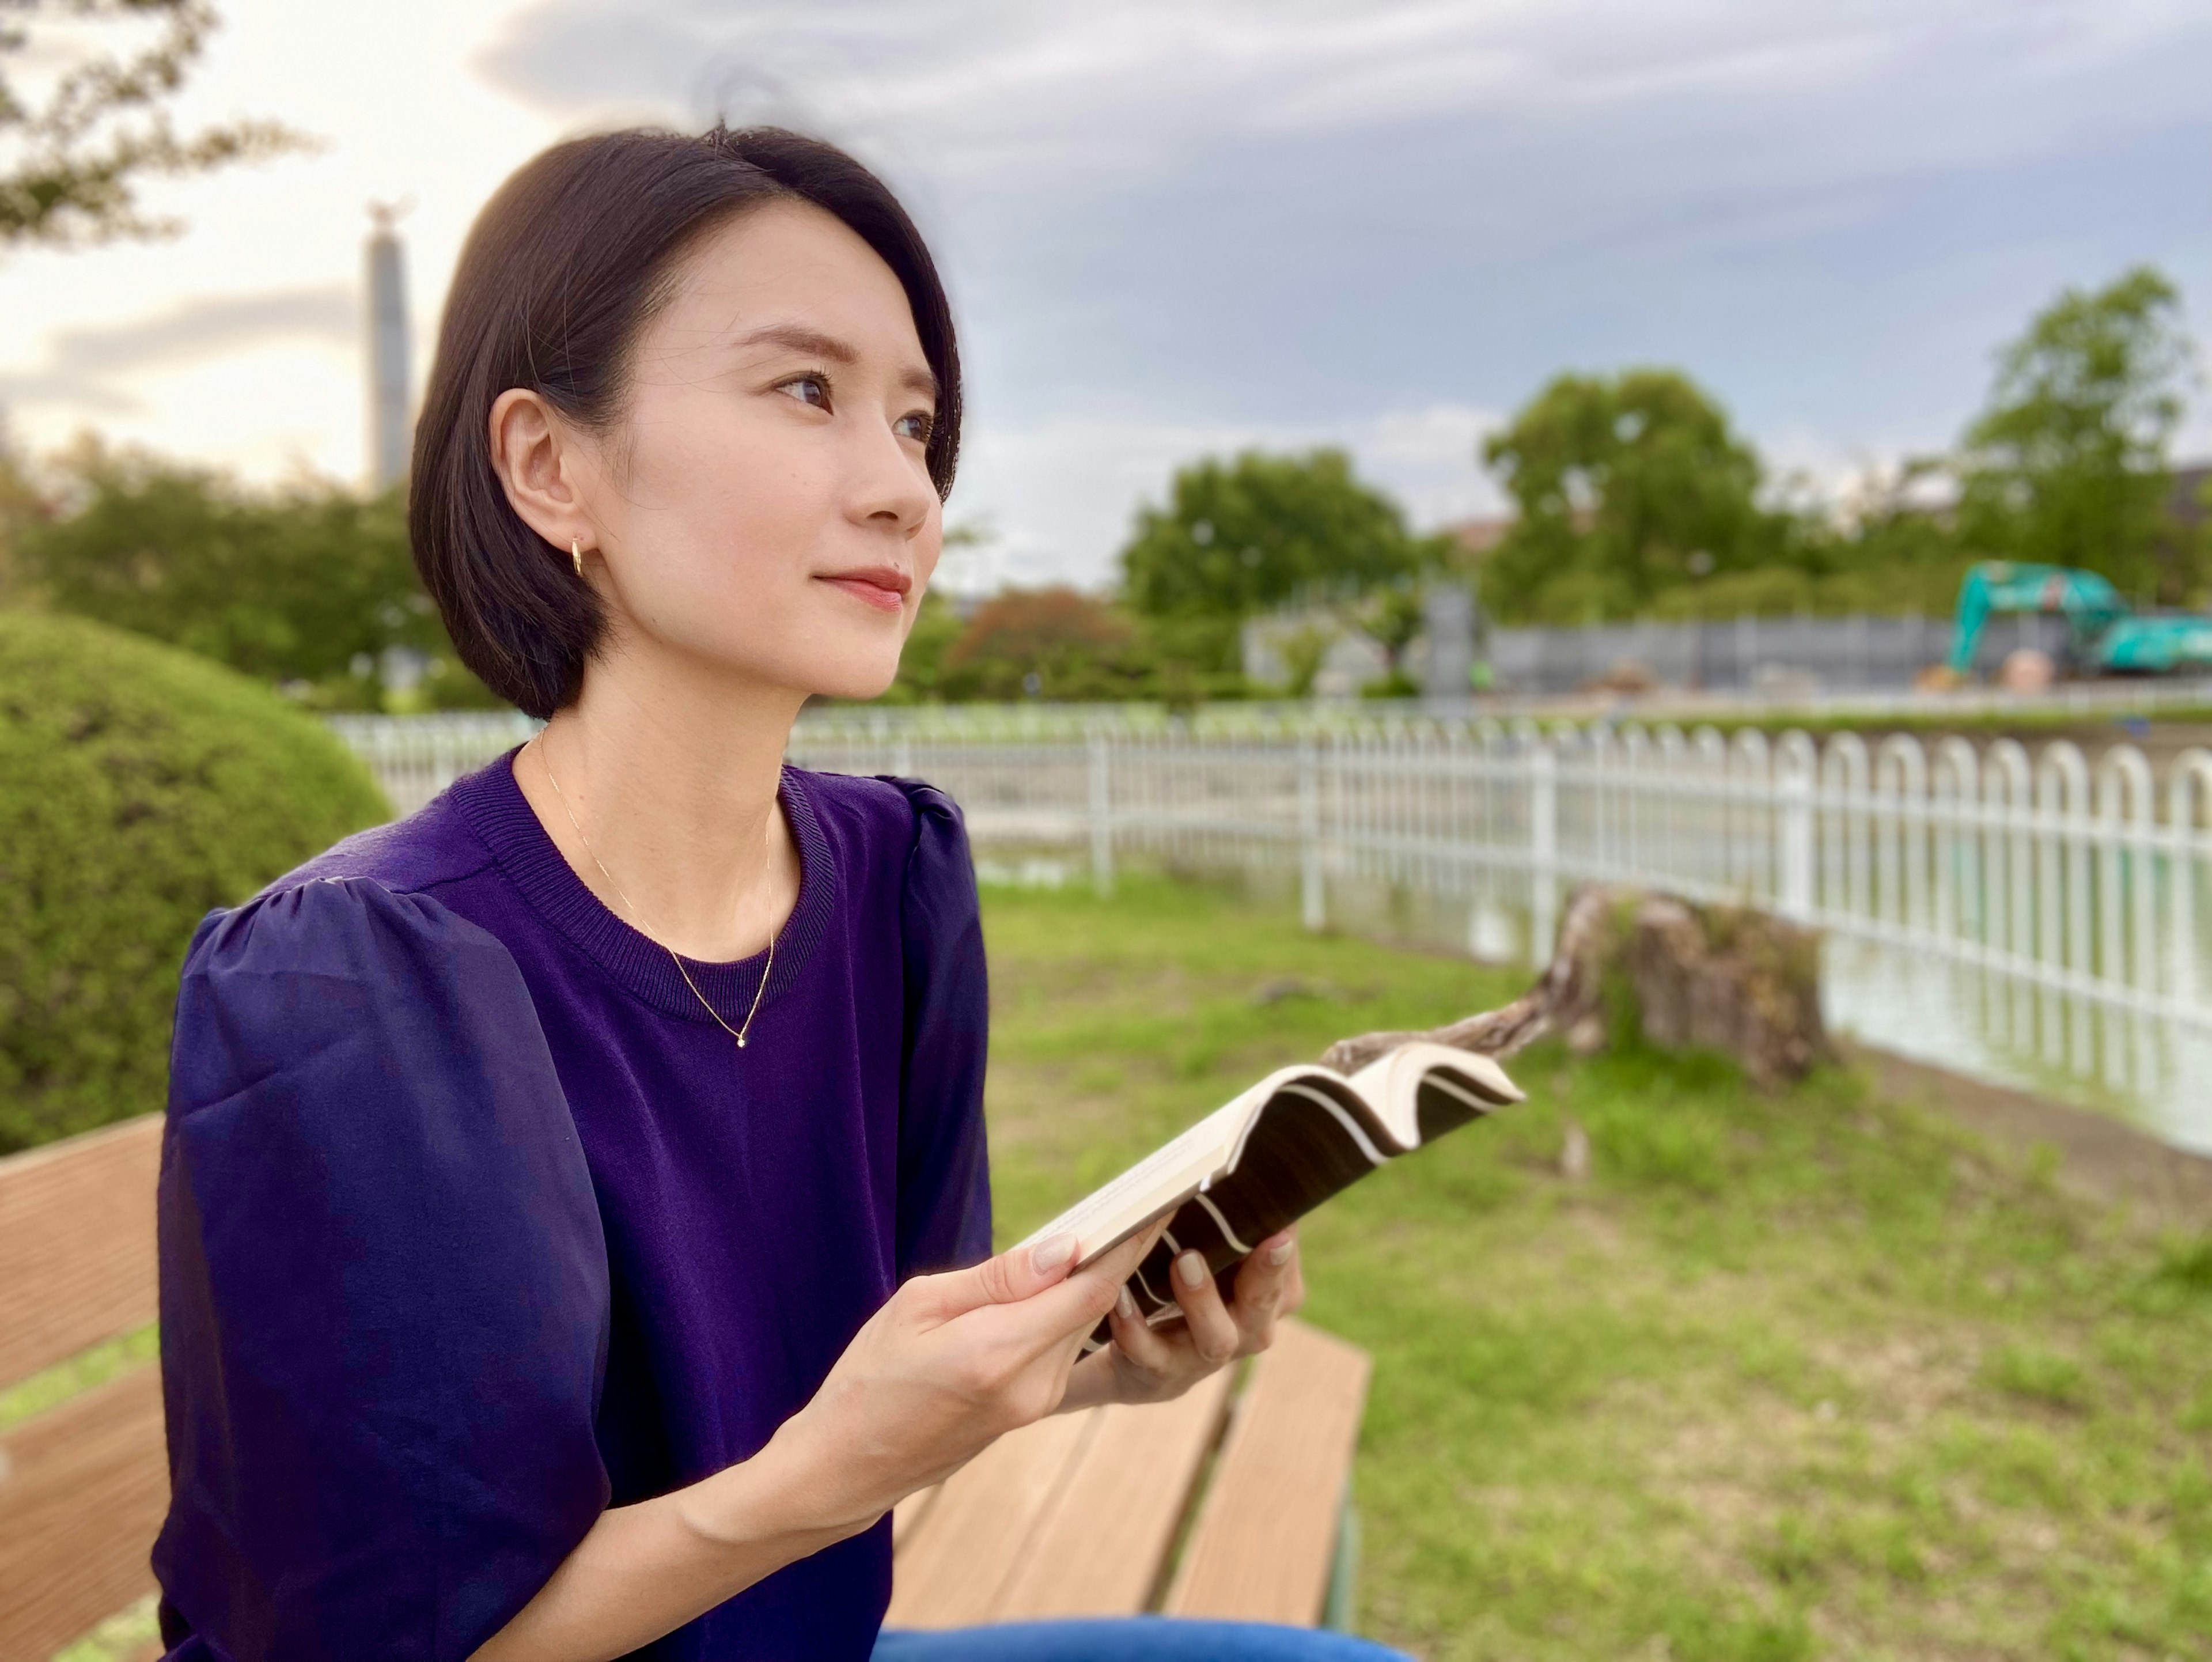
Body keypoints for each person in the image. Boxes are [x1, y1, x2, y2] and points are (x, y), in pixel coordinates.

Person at [153, 126, 1407, 1662]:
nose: (902, 490)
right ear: (552, 468)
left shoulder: (892, 879)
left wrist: (1090, 1360)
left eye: (917, 420)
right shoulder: (361, 978)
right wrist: (827, 1481)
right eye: (806, 390)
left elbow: (867, 1381)